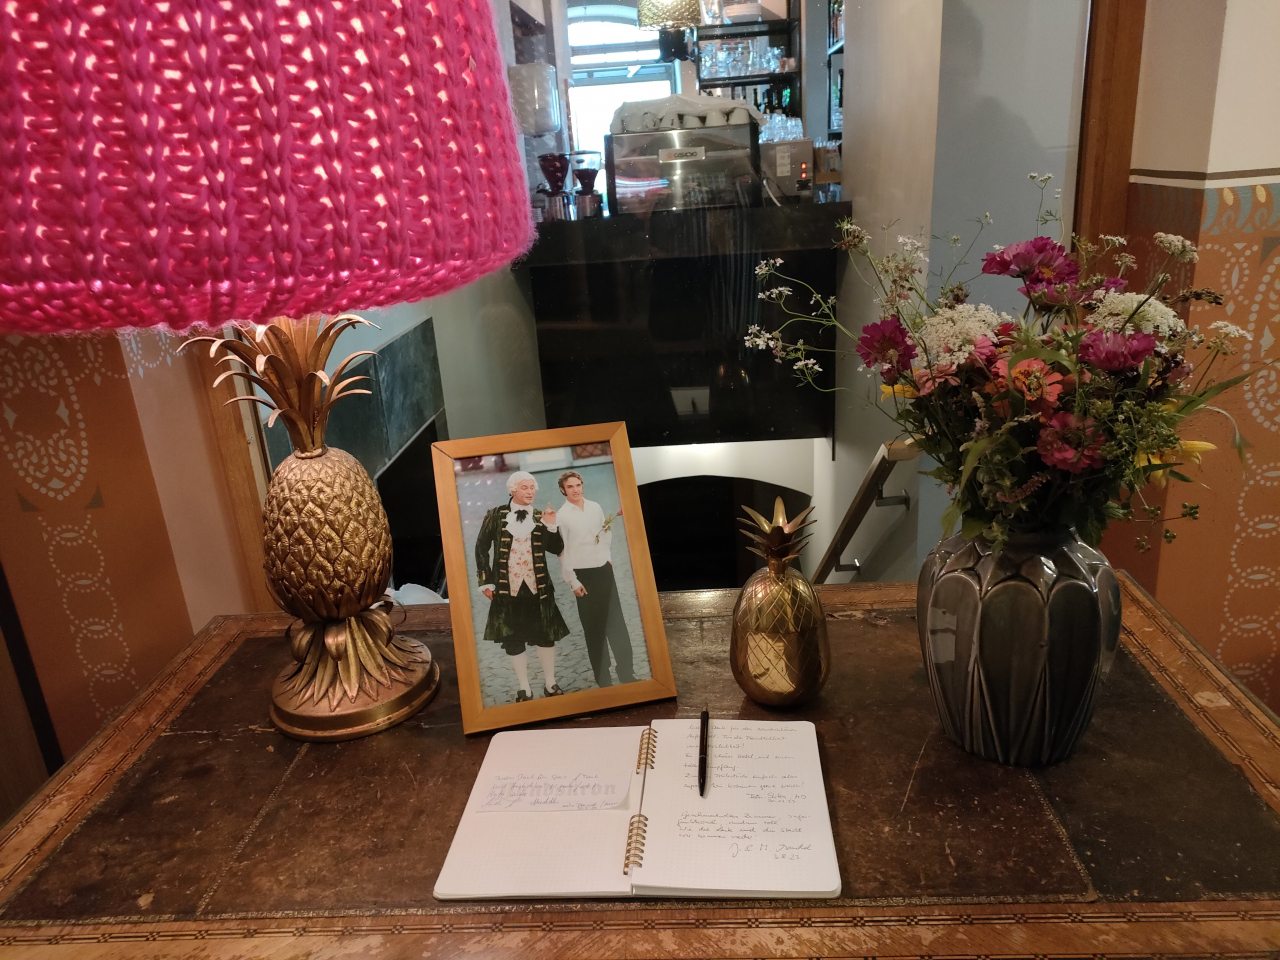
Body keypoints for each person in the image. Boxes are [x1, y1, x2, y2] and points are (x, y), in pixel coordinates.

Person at [475, 471, 570, 701]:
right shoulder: (496, 514)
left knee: (545, 635)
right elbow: (481, 547)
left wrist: (551, 526)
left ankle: (550, 684)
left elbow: (556, 548)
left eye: (532, 488)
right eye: (524, 487)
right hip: (507, 587)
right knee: (513, 637)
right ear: (513, 490)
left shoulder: (539, 516)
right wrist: (486, 581)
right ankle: (524, 688)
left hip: (538, 586)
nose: (530, 492)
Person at [556, 470, 636, 687]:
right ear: (563, 490)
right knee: (594, 630)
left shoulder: (595, 507)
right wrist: (573, 581)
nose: (575, 490)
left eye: (578, 485)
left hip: (603, 571)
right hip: (584, 577)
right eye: (570, 487)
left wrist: (608, 558)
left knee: (617, 624)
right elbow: (562, 552)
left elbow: (605, 533)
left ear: (582, 485)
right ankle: (604, 679)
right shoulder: (562, 516)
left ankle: (626, 672)